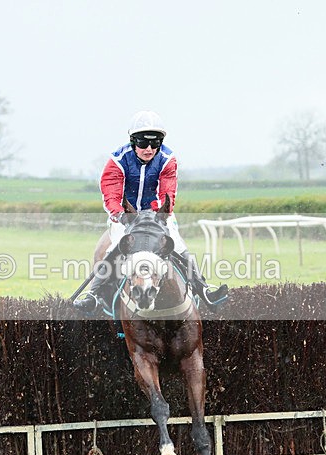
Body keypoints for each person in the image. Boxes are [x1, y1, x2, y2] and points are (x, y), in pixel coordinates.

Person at [73, 111, 227, 313]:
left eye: (155, 144)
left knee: (180, 247)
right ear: (132, 141)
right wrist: (122, 215)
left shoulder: (167, 159)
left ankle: (205, 290)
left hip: (156, 217)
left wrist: (159, 217)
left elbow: (167, 193)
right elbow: (111, 195)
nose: (149, 149)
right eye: (143, 143)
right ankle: (93, 295)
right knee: (112, 250)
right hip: (125, 216)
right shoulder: (117, 161)